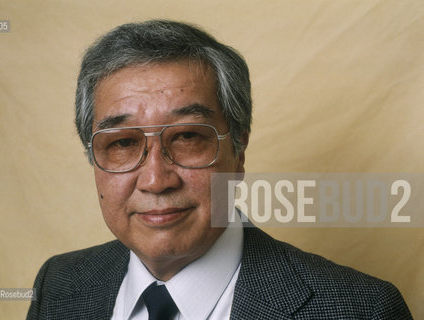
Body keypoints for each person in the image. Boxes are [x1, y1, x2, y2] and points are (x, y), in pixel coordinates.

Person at [27, 20, 412, 319]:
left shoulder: (362, 310)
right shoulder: (58, 286)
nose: (156, 180)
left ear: (238, 152)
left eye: (189, 137)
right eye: (123, 143)